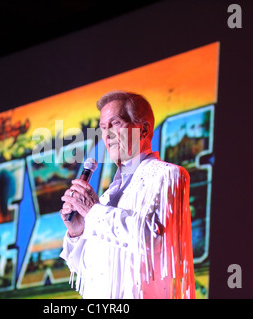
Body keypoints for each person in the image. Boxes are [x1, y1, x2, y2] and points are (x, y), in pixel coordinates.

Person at [59, 90, 195, 299]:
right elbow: (92, 272)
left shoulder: (168, 175)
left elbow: (153, 239)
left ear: (144, 129)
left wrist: (93, 212)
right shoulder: (105, 199)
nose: (107, 134)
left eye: (115, 124)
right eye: (103, 128)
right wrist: (77, 232)